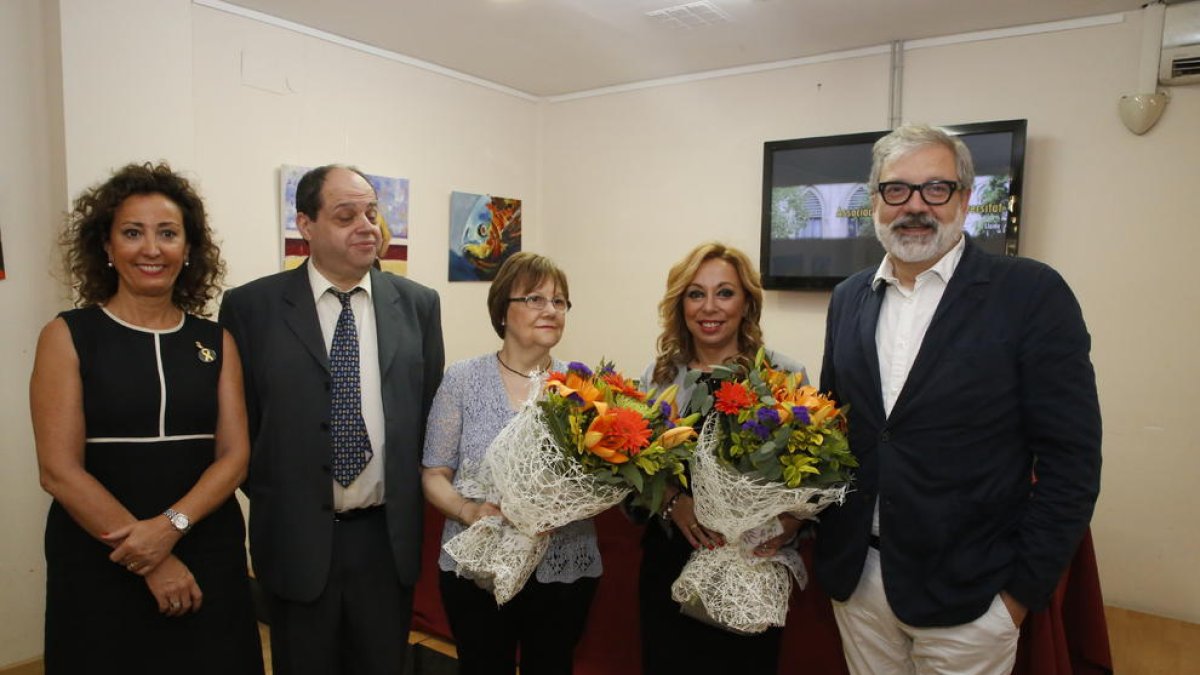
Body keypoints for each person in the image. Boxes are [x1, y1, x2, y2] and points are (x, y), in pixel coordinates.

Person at [815, 123, 1102, 674]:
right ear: (875, 201)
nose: (915, 206)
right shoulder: (848, 298)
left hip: (973, 596)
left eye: (936, 189)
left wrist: (1018, 597)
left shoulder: (1031, 294)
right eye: (896, 190)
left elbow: (1073, 460)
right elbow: (836, 434)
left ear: (966, 198)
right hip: (859, 580)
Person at [30, 162, 263, 674]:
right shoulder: (67, 335)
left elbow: (235, 456)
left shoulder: (215, 340)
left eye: (168, 234)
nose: (151, 249)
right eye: (132, 233)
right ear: (107, 247)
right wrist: (152, 554)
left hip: (207, 544)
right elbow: (59, 470)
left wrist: (171, 527)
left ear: (189, 248)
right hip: (101, 553)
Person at [219, 164, 445, 675]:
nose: (367, 226)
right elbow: (243, 425)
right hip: (296, 538)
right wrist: (286, 496)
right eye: (346, 215)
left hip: (387, 541)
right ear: (306, 224)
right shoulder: (250, 308)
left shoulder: (418, 305)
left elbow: (427, 415)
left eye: (371, 212)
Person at [421, 252, 598, 675]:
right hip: (478, 567)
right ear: (503, 310)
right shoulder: (462, 379)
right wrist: (468, 510)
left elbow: (603, 478)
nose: (550, 310)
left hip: (564, 566)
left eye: (559, 302)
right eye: (535, 299)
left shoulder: (582, 387)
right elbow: (434, 473)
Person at [638, 242, 807, 674]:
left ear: (747, 301)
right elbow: (631, 479)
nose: (709, 307)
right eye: (696, 294)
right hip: (671, 566)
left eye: (724, 293)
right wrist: (674, 502)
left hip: (752, 567)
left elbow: (815, 474)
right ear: (681, 304)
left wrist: (792, 523)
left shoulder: (783, 376)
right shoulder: (658, 380)